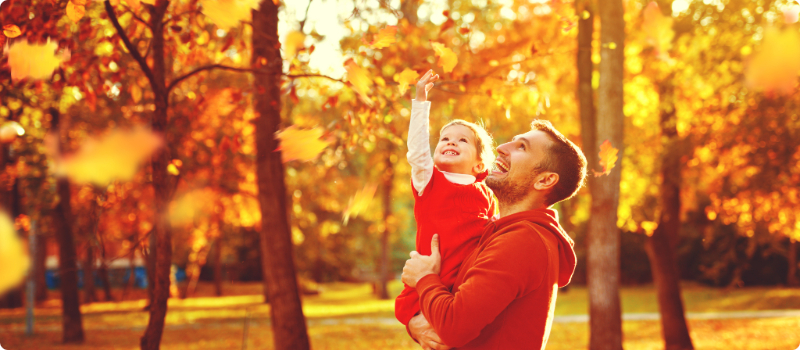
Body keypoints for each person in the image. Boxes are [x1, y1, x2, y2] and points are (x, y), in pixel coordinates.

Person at [401, 120, 587, 350]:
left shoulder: (522, 242)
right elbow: (450, 312)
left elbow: (453, 327)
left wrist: (423, 279)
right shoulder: (494, 231)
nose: (502, 147)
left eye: (521, 147)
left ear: (544, 180)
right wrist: (414, 321)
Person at [395, 70, 497, 333]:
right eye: (445, 139)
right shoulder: (428, 181)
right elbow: (417, 151)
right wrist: (420, 101)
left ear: (479, 164)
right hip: (432, 282)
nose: (451, 142)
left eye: (463, 140)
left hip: (467, 285)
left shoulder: (486, 193)